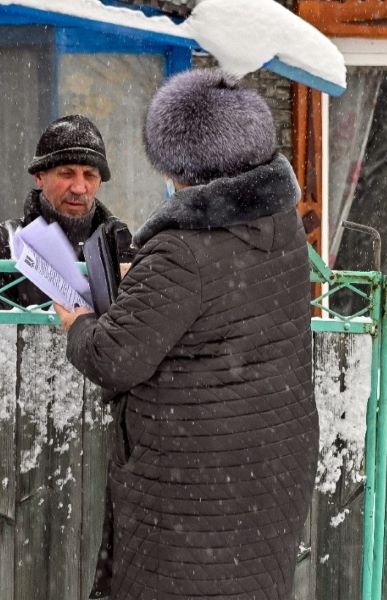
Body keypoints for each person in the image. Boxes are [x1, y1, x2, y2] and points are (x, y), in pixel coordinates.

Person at [53, 69, 318, 600]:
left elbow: (113, 358)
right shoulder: (280, 225)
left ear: (182, 165)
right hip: (267, 463)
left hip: (192, 482)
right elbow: (223, 305)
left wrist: (77, 321)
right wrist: (152, 284)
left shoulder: (183, 249)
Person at [0, 114, 134, 308]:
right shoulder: (6, 243)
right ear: (39, 176)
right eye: (66, 173)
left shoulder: (120, 244)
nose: (79, 188)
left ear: (100, 183)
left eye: (89, 175)